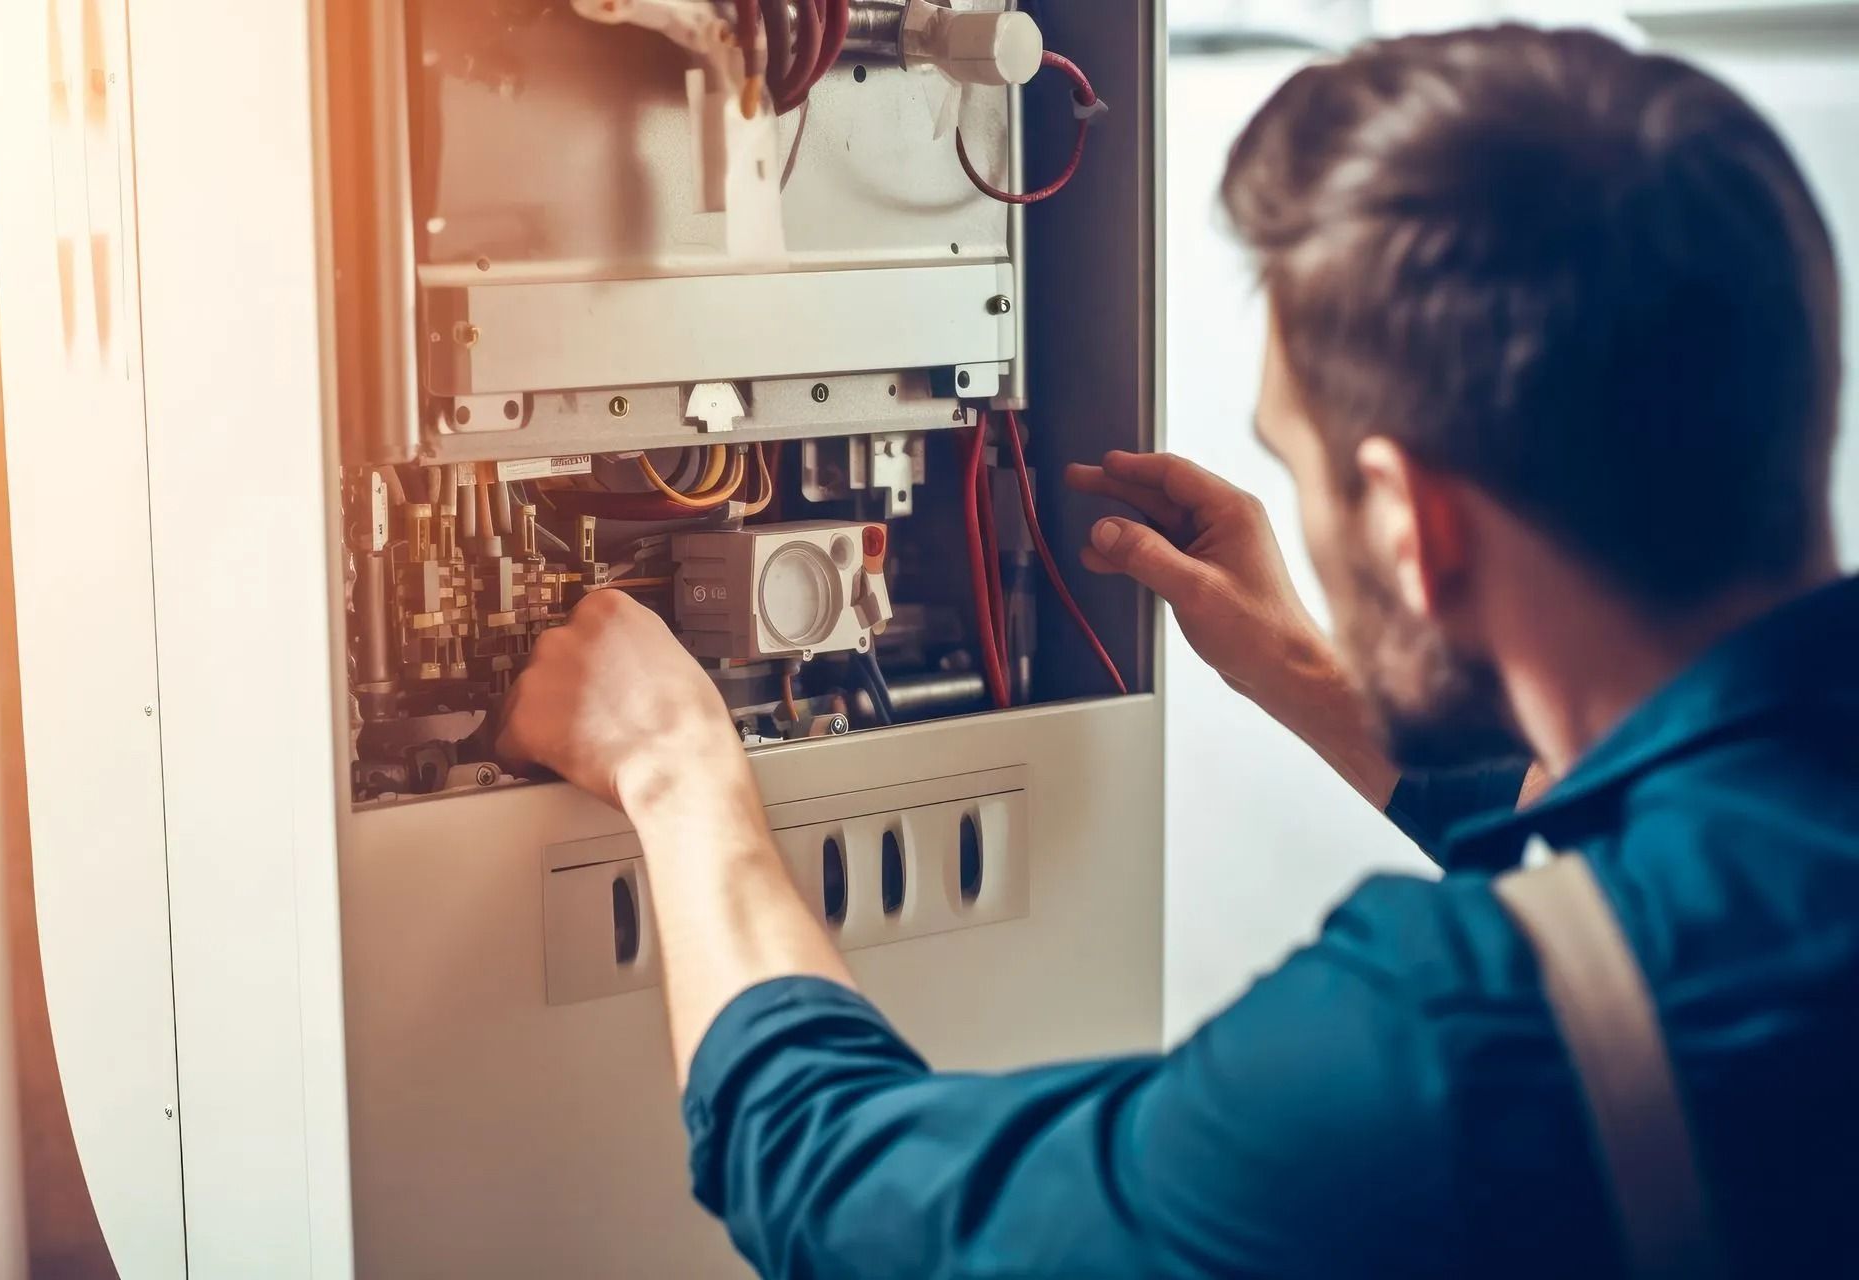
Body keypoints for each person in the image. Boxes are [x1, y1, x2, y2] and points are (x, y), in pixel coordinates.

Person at [499, 24, 1857, 1278]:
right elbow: (1680, 873)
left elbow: (869, 1209)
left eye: (1308, 474)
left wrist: (682, 779)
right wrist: (1326, 685)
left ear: (1410, 522)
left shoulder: (1440, 1059)